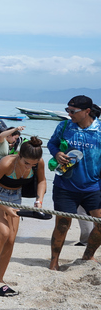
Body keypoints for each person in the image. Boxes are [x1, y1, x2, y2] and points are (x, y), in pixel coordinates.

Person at [0, 137, 47, 292]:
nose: (29, 167)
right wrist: (4, 207)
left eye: (33, 164)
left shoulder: (39, 163)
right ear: (19, 156)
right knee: (3, 232)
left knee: (10, 239)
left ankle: (1, 277)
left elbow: (42, 181)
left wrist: (39, 201)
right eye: (26, 163)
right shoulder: (7, 163)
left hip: (15, 196)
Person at [47, 95, 101, 270]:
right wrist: (56, 154)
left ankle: (88, 256)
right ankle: (54, 261)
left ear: (87, 111)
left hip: (94, 186)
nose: (69, 114)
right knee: (63, 224)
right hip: (65, 185)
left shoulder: (99, 130)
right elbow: (52, 143)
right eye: (67, 110)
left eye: (72, 111)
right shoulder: (64, 126)